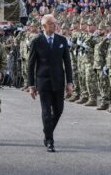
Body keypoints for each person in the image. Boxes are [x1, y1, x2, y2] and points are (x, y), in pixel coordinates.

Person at [28, 14, 73, 152]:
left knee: (58, 111)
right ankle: (49, 140)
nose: (55, 26)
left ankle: (47, 131)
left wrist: (70, 82)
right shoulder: (37, 41)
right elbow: (31, 65)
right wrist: (31, 85)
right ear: (44, 26)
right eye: (52, 24)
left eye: (55, 23)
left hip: (59, 81)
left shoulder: (62, 40)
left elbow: (67, 62)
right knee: (46, 112)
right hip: (44, 81)